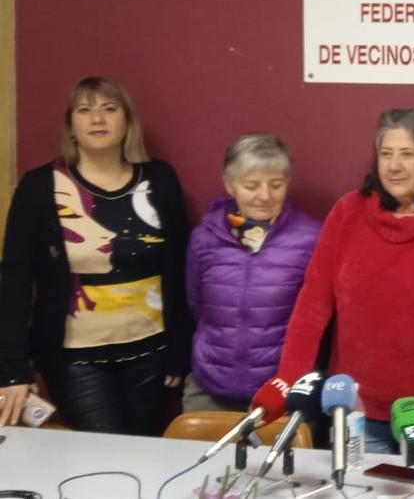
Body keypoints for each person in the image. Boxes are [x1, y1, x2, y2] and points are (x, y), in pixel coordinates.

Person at [277, 109, 414, 454]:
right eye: (386, 154)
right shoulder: (348, 212)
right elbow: (313, 305)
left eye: (407, 154)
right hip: (356, 411)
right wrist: (289, 379)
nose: (393, 166)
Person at [0, 76, 191, 435]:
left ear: (127, 122)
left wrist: (181, 347)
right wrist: (11, 367)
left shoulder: (160, 179)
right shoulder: (40, 187)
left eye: (109, 108)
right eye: (84, 110)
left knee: (147, 456)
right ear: (71, 125)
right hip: (75, 360)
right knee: (101, 458)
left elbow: (181, 269)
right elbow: (15, 280)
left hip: (151, 353)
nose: (97, 119)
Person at [182, 133, 320, 412]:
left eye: (276, 184)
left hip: (284, 391)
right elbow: (196, 305)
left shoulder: (311, 238)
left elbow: (317, 318)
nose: (265, 196)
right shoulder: (203, 239)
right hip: (210, 388)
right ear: (230, 185)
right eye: (251, 185)